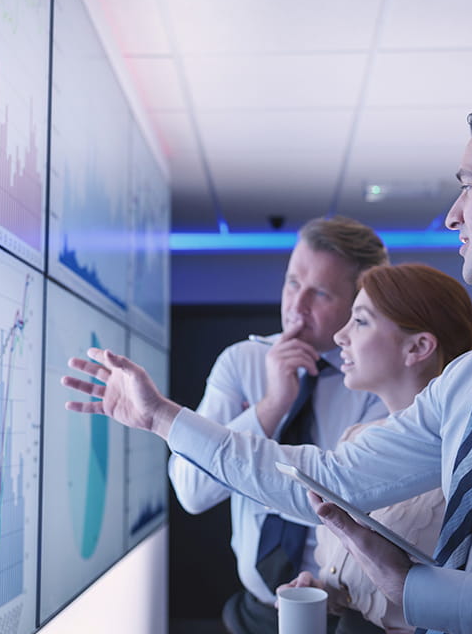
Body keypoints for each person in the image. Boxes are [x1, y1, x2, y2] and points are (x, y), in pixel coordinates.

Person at [63, 84, 472, 633]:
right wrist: (162, 418)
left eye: (467, 185)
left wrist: (424, 593)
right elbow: (327, 476)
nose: (451, 215)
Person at [169, 215, 391, 634]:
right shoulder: (241, 363)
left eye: (320, 293)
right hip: (255, 612)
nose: (297, 305)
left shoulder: (379, 381)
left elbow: (364, 505)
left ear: (360, 301)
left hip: (347, 616)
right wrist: (271, 406)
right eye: (292, 282)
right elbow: (191, 491)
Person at [280, 263, 472, 633]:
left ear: (418, 346)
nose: (340, 336)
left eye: (359, 321)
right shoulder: (356, 438)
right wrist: (326, 590)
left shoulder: (464, 461)